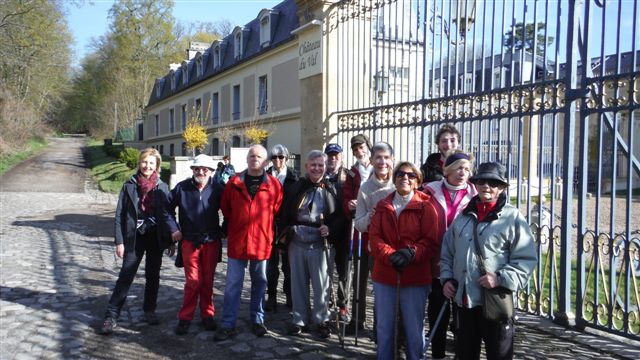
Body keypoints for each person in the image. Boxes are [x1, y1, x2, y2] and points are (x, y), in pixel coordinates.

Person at [440, 162, 537, 360]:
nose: (487, 186)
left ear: (501, 188)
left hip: (495, 301)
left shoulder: (512, 218)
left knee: (499, 355)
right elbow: (448, 252)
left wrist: (501, 277)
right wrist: (447, 279)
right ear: (475, 184)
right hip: (465, 301)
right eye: (482, 181)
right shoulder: (463, 216)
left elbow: (526, 259)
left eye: (493, 182)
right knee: (466, 354)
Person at [369, 161, 439, 360]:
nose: (405, 178)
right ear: (394, 179)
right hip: (385, 274)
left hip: (415, 276)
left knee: (413, 327)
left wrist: (411, 253)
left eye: (410, 175)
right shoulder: (383, 206)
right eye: (400, 174)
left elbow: (431, 241)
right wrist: (390, 255)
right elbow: (375, 238)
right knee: (385, 326)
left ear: (417, 181)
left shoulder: (426, 206)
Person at [99, 148, 171, 335]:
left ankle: (149, 310)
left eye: (151, 163)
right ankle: (111, 315)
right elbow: (119, 215)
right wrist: (119, 241)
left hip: (155, 237)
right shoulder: (129, 185)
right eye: (144, 162)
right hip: (134, 238)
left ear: (157, 166)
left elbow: (167, 215)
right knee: (126, 276)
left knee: (153, 276)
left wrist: (170, 240)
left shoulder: (162, 187)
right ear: (139, 163)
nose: (147, 166)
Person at [215, 145, 283, 340]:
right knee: (233, 284)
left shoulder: (274, 185)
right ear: (246, 159)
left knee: (260, 283)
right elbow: (226, 208)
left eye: (259, 156)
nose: (255, 158)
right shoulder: (234, 182)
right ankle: (228, 323)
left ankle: (258, 320)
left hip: (261, 242)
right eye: (252, 155)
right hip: (238, 241)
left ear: (266, 161)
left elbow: (275, 209)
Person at [422, 150, 477, 360]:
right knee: (438, 313)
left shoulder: (474, 194)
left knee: (462, 318)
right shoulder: (428, 191)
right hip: (436, 261)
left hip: (464, 264)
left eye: (466, 168)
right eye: (458, 168)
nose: (462, 173)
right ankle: (438, 354)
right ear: (447, 170)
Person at [280, 150, 340, 338]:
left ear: (325, 167)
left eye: (320, 165)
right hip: (297, 240)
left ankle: (322, 320)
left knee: (322, 283)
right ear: (306, 167)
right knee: (298, 282)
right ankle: (300, 320)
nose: (317, 168)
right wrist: (288, 231)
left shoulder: (332, 188)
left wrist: (330, 228)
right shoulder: (296, 187)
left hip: (321, 242)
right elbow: (285, 212)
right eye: (313, 165)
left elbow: (340, 216)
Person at [166, 154, 225, 335]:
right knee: (193, 281)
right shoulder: (182, 188)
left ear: (211, 171)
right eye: (197, 169)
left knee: (207, 280)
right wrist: (173, 228)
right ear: (192, 170)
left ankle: (207, 315)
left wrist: (224, 230)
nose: (200, 172)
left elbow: (230, 210)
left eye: (204, 169)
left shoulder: (218, 188)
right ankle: (185, 317)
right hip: (190, 241)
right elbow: (166, 209)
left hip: (211, 241)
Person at [351, 142, 396, 334]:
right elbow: (359, 223)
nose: (382, 162)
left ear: (392, 160)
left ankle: (387, 332)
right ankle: (378, 332)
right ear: (371, 160)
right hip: (373, 247)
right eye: (378, 157)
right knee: (379, 291)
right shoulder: (365, 188)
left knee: (390, 295)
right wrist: (372, 216)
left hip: (396, 248)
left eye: (386, 157)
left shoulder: (401, 182)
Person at [342, 133, 373, 333]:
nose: (359, 152)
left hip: (378, 232)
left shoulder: (379, 168)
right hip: (359, 232)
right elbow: (345, 198)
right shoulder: (352, 173)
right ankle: (357, 318)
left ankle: (382, 322)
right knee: (358, 279)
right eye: (355, 150)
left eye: (362, 148)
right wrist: (349, 204)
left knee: (380, 281)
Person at [265, 144, 299, 312]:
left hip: (287, 226)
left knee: (288, 264)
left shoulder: (294, 178)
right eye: (274, 157)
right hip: (268, 226)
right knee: (271, 265)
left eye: (281, 157)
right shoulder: (264, 177)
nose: (277, 160)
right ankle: (271, 295)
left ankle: (289, 295)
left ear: (286, 158)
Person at [323, 143, 351, 321]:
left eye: (336, 155)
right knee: (324, 270)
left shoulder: (348, 177)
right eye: (330, 155)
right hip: (324, 230)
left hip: (344, 231)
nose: (333, 158)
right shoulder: (320, 176)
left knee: (344, 271)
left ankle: (343, 305)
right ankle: (325, 302)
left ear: (341, 157)